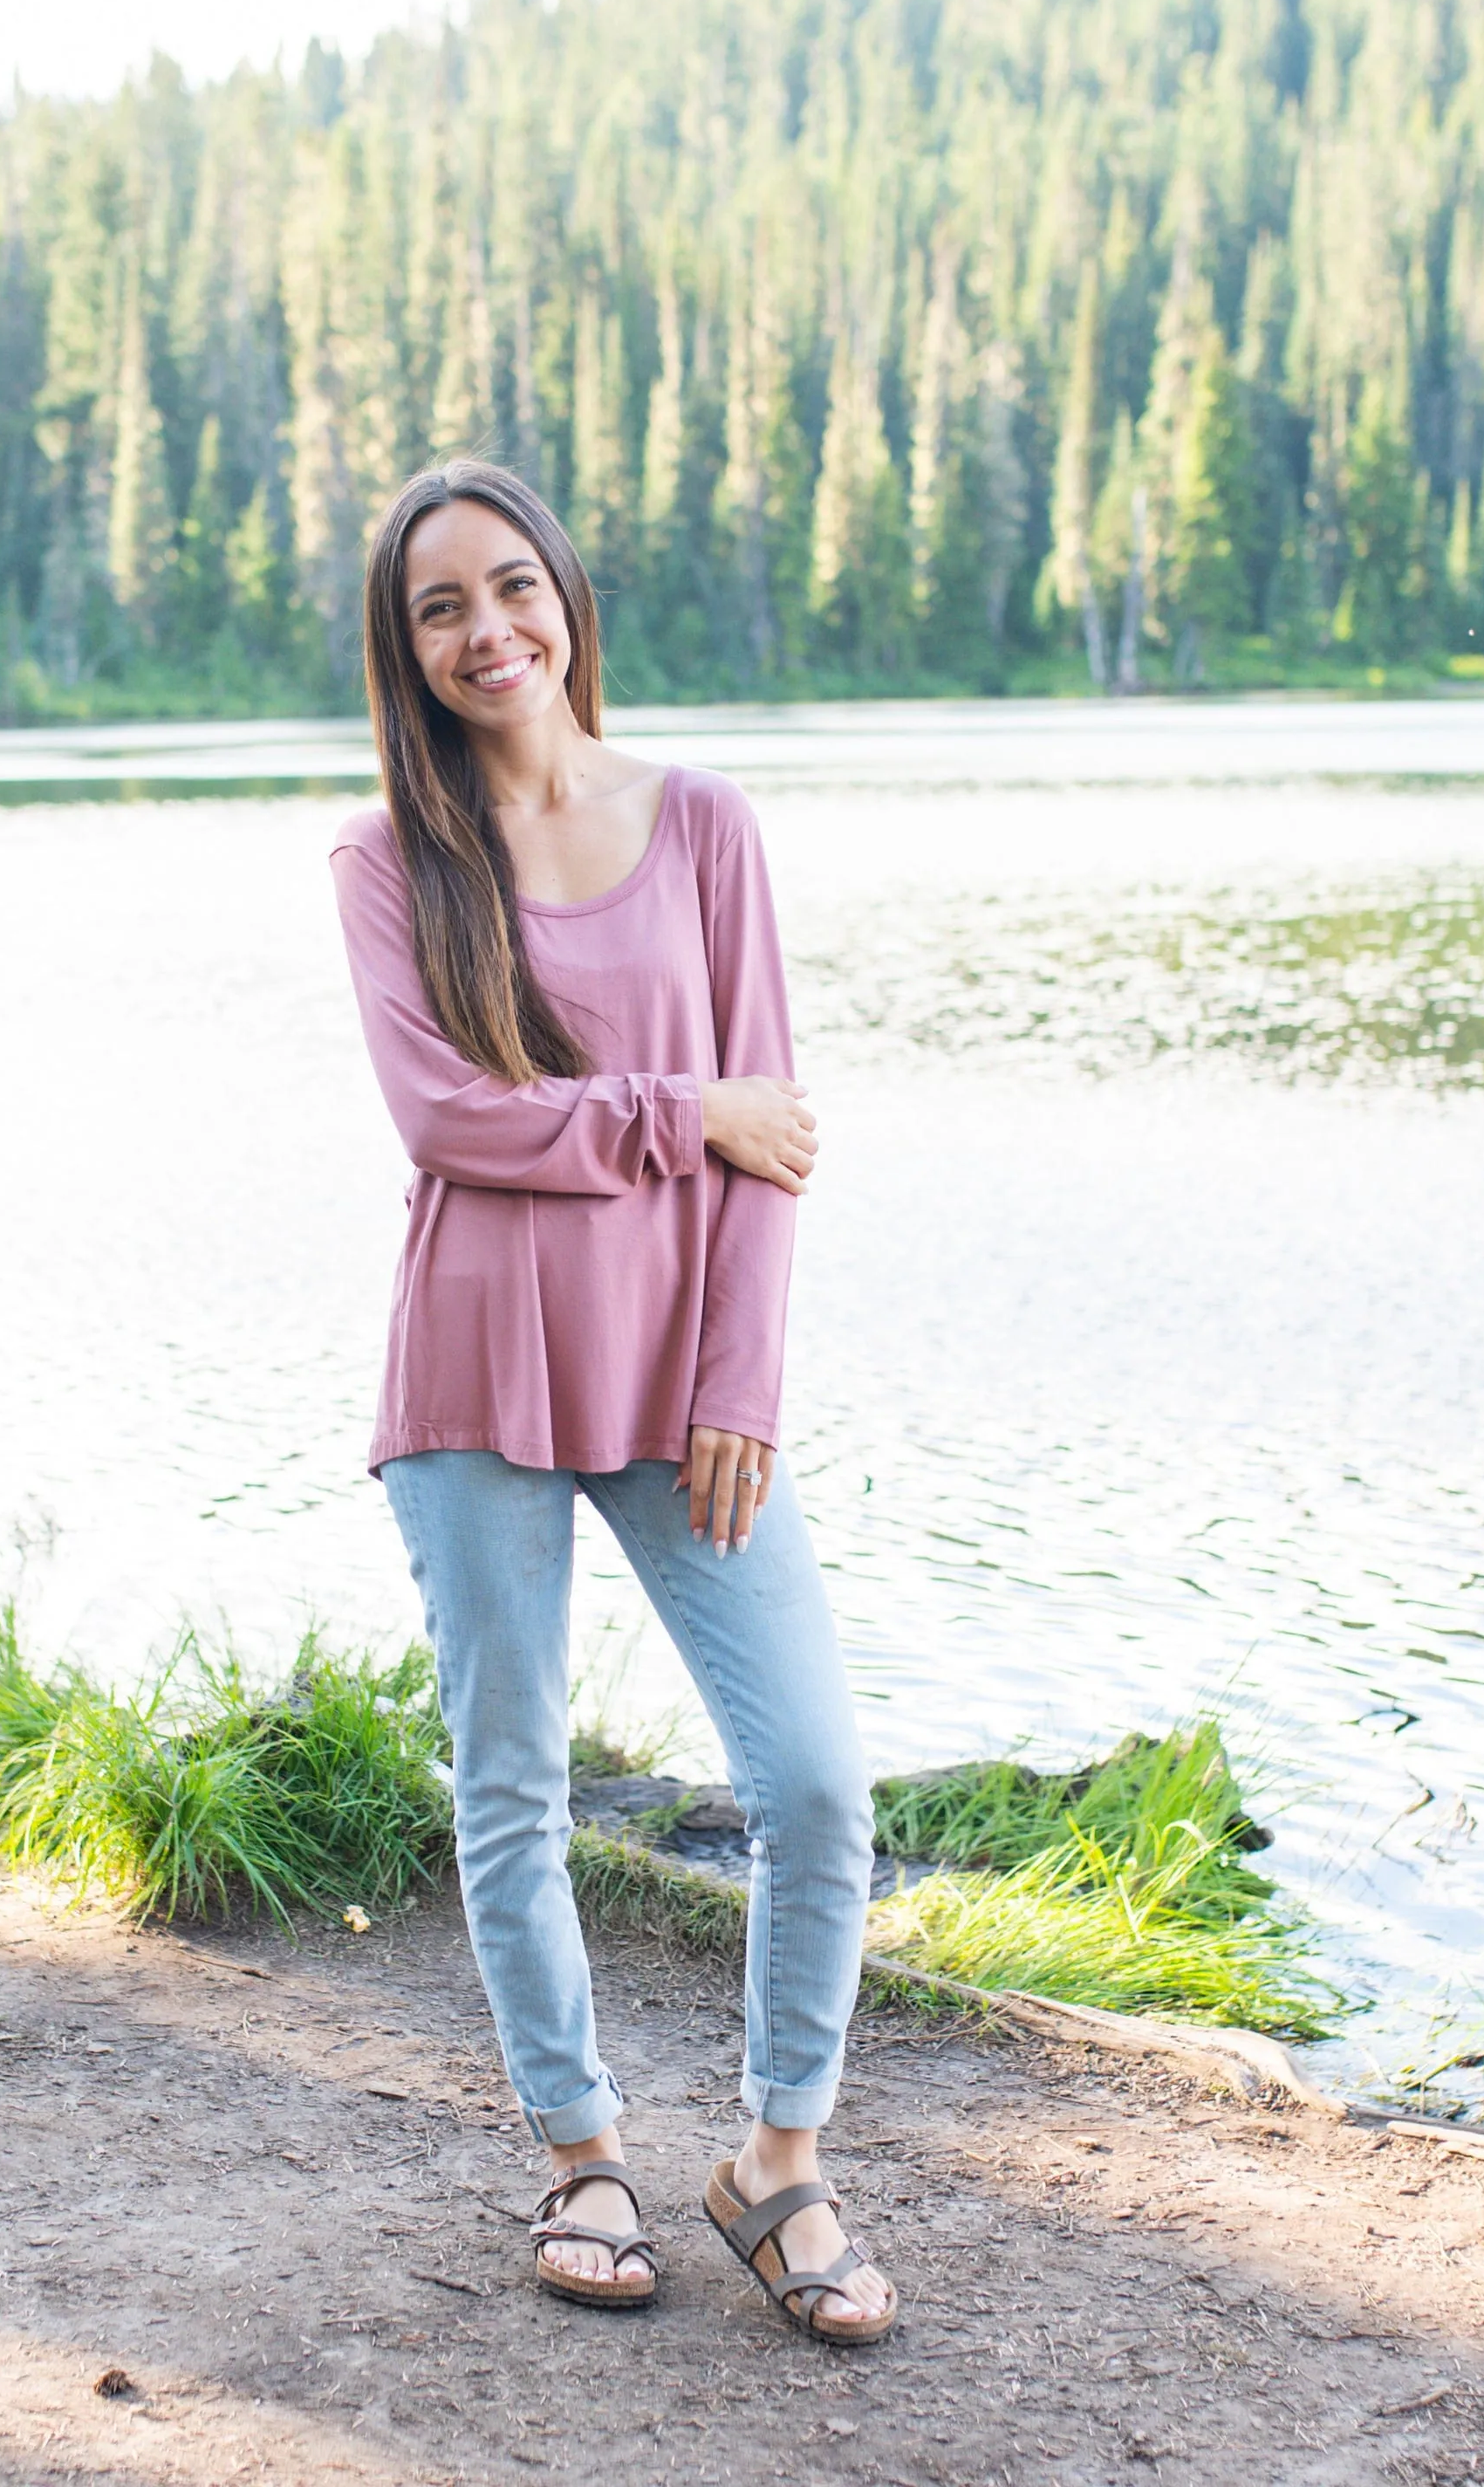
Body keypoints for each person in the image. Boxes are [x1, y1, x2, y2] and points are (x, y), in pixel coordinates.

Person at [328, 459, 897, 2346]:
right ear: (407, 655)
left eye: (512, 590)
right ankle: (580, 2152)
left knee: (814, 1779)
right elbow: (447, 1125)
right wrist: (678, 1114)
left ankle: (779, 2162)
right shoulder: (389, 864)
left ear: (566, 598)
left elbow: (778, 1136)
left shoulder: (707, 826)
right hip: (474, 1372)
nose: (487, 632)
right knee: (513, 1789)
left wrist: (742, 1373)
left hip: (681, 1382)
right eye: (441, 612)